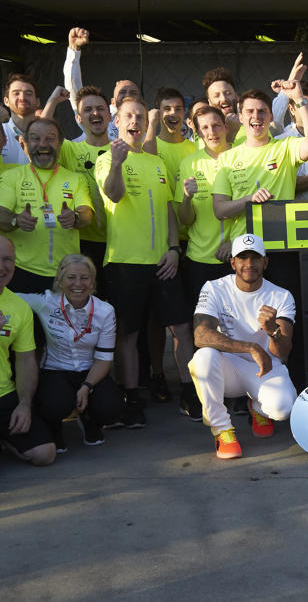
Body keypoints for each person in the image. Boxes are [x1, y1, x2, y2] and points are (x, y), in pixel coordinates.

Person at [95, 97, 196, 427]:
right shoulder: (107, 157)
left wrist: (173, 248)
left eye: (140, 116)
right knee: (128, 333)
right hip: (124, 262)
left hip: (162, 261)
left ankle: (189, 391)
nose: (135, 121)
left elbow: (169, 209)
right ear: (118, 121)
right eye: (129, 116)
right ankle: (131, 397)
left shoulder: (156, 163)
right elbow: (113, 194)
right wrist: (116, 163)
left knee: (181, 327)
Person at [189, 234, 297, 459]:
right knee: (203, 357)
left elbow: (283, 352)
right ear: (233, 262)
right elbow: (200, 335)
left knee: (284, 408)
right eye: (242, 258)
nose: (249, 264)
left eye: (255, 258)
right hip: (229, 364)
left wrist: (272, 331)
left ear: (265, 262)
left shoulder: (281, 295)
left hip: (265, 367)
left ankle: (257, 407)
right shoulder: (214, 288)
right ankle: (222, 429)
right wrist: (251, 347)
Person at [18, 254, 123, 452]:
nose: (78, 284)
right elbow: (10, 298)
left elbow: (103, 359)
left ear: (92, 281)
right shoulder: (46, 302)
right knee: (54, 404)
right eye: (71, 277)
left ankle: (90, 420)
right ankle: (54, 426)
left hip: (91, 371)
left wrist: (86, 386)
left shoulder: (105, 311)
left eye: (85, 278)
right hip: (55, 369)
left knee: (111, 407)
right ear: (59, 280)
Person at [212, 82, 308, 239]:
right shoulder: (227, 158)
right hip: (245, 244)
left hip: (282, 241)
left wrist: (299, 99)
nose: (256, 116)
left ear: (271, 116)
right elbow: (220, 210)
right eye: (250, 111)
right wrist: (249, 199)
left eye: (262, 111)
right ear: (241, 117)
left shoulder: (285, 147)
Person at [0, 118, 94, 294]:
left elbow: (87, 214)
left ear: (60, 144)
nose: (43, 144)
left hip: (64, 275)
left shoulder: (75, 179)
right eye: (35, 138)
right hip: (21, 271)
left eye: (50, 138)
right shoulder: (11, 177)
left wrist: (74, 217)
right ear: (25, 143)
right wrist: (16, 220)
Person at [0, 236, 54, 465]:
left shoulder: (19, 307)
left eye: (7, 260)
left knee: (45, 453)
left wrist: (24, 404)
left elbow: (26, 362)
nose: (2, 267)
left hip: (3, 394)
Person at [175, 106, 234, 308]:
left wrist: (235, 241)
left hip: (238, 257)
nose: (212, 132)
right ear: (198, 133)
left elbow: (254, 208)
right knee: (203, 326)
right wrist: (186, 198)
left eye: (216, 125)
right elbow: (185, 219)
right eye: (205, 128)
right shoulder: (189, 164)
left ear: (226, 126)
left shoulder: (242, 157)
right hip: (200, 260)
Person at [58, 86, 112, 269]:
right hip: (80, 241)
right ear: (78, 119)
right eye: (88, 110)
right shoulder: (69, 149)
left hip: (117, 243)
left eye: (100, 108)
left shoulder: (123, 150)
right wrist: (52, 102)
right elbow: (39, 132)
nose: (95, 113)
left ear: (110, 115)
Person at [1, 74, 40, 166]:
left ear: (37, 102)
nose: (22, 98)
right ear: (6, 101)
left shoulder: (51, 136)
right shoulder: (1, 132)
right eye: (16, 93)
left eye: (28, 93)